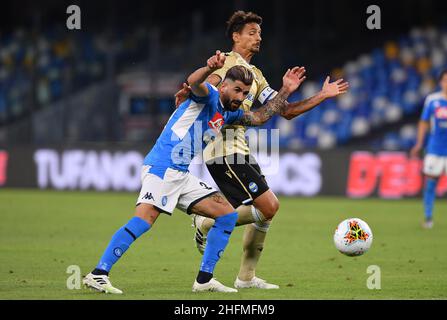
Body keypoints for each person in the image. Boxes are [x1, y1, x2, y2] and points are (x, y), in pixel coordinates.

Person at [82, 50, 304, 293]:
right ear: (225, 86)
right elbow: (194, 82)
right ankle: (98, 273)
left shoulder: (229, 112)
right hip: (163, 167)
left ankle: (204, 280)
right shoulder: (208, 96)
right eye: (237, 90)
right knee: (144, 220)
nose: (241, 96)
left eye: (245, 93)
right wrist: (209, 68)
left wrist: (285, 91)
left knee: (227, 215)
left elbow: (261, 117)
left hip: (181, 174)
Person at [175, 11, 349, 289]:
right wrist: (189, 96)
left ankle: (245, 278)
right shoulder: (227, 63)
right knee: (269, 206)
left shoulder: (255, 75)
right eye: (252, 33)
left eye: (259, 34)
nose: (258, 38)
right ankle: (204, 222)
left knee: (267, 211)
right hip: (222, 149)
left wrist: (320, 95)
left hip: (240, 149)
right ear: (236, 36)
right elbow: (208, 89)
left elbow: (286, 111)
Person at [410, 69, 447, 229]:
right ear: (441, 82)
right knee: (431, 184)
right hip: (435, 149)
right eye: (446, 80)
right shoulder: (433, 100)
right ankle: (428, 218)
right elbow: (424, 122)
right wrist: (419, 143)